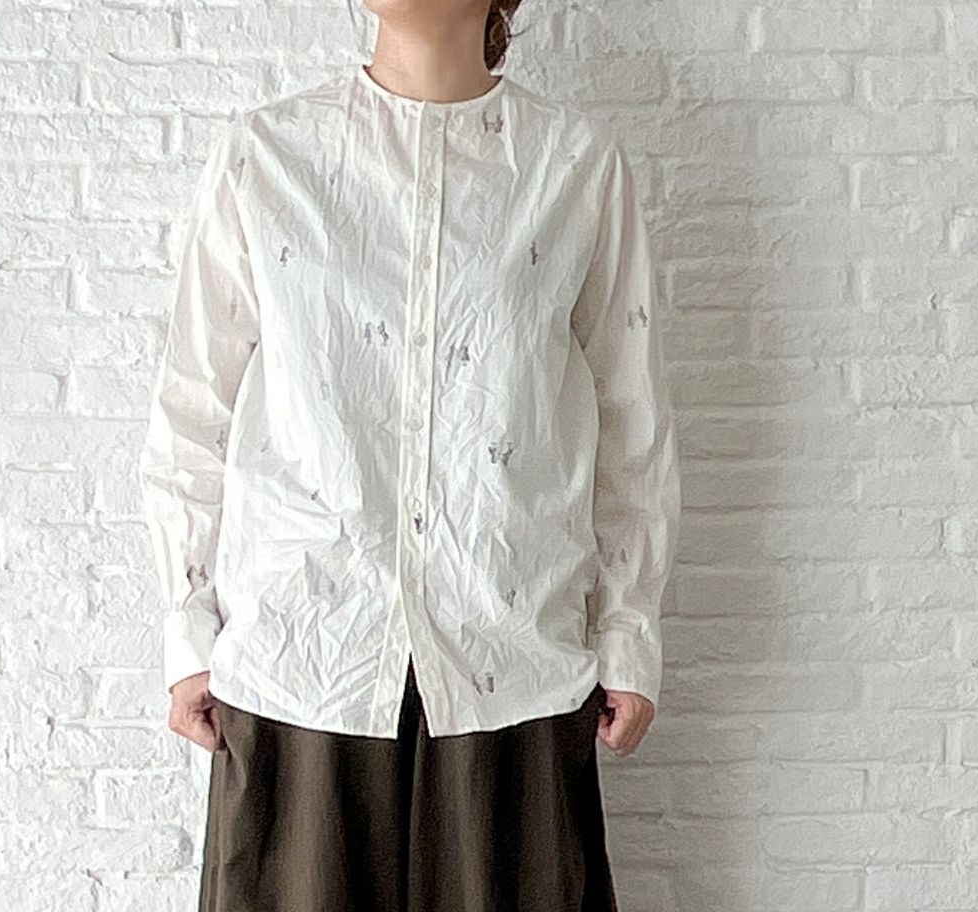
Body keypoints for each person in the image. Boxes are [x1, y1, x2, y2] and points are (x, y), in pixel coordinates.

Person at [136, 1, 681, 909]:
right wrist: (188, 631)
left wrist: (627, 634)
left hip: (511, 667)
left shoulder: (575, 167)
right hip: (303, 663)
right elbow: (194, 410)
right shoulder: (266, 156)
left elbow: (633, 424)